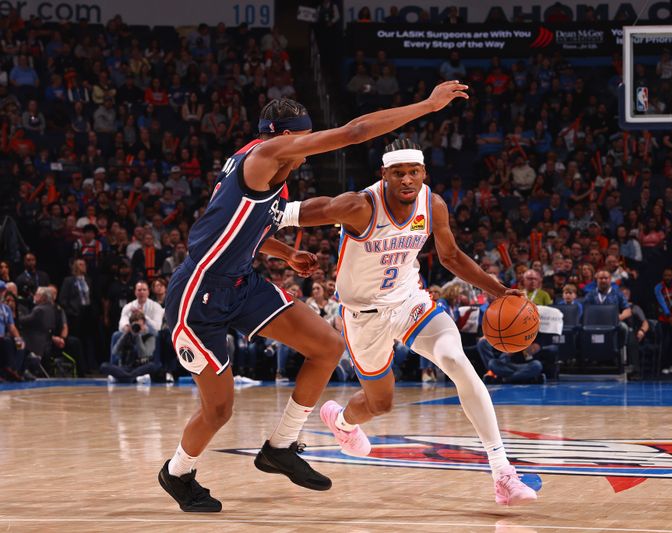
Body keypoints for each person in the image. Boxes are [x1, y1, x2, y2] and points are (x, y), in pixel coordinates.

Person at [159, 82, 470, 512]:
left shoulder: (272, 171)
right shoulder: (265, 155)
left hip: (240, 282)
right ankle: (177, 473)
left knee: (327, 346)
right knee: (218, 411)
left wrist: (285, 251)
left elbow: (239, 225)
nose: (307, 148)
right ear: (287, 138)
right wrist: (429, 105)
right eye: (303, 138)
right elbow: (356, 131)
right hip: (199, 294)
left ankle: (280, 446)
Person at [282, 139, 538, 506]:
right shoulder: (358, 206)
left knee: (457, 362)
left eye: (413, 172)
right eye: (398, 173)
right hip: (363, 317)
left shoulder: (432, 204)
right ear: (383, 174)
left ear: (424, 174)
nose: (407, 180)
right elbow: (291, 213)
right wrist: (249, 216)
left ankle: (502, 472)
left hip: (409, 301)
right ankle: (342, 422)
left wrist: (499, 291)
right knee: (380, 404)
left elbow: (450, 256)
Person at [102, 310, 160, 383]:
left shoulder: (149, 337)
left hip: (141, 367)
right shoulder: (127, 336)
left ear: (144, 324)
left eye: (140, 325)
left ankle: (121, 377)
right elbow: (115, 352)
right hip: (125, 367)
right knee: (104, 366)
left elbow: (144, 355)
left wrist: (137, 336)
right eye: (135, 326)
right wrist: (125, 335)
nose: (137, 328)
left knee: (153, 366)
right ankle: (133, 378)